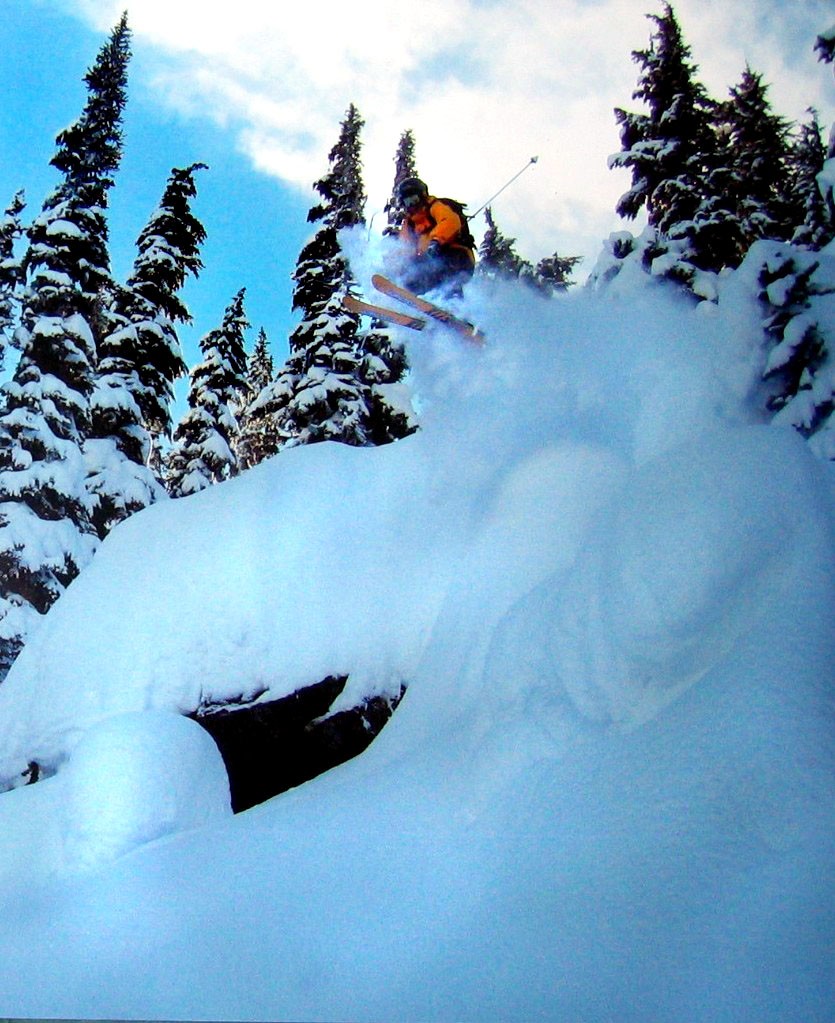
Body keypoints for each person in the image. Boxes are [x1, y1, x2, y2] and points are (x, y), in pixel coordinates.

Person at [395, 177, 476, 296]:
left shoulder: (435, 207)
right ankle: (413, 300)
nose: (412, 205)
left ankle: (454, 299)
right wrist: (399, 263)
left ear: (423, 196)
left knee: (443, 268)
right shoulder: (410, 223)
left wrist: (436, 241)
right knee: (414, 275)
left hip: (458, 257)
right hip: (431, 262)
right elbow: (404, 245)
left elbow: (450, 221)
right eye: (408, 202)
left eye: (414, 200)